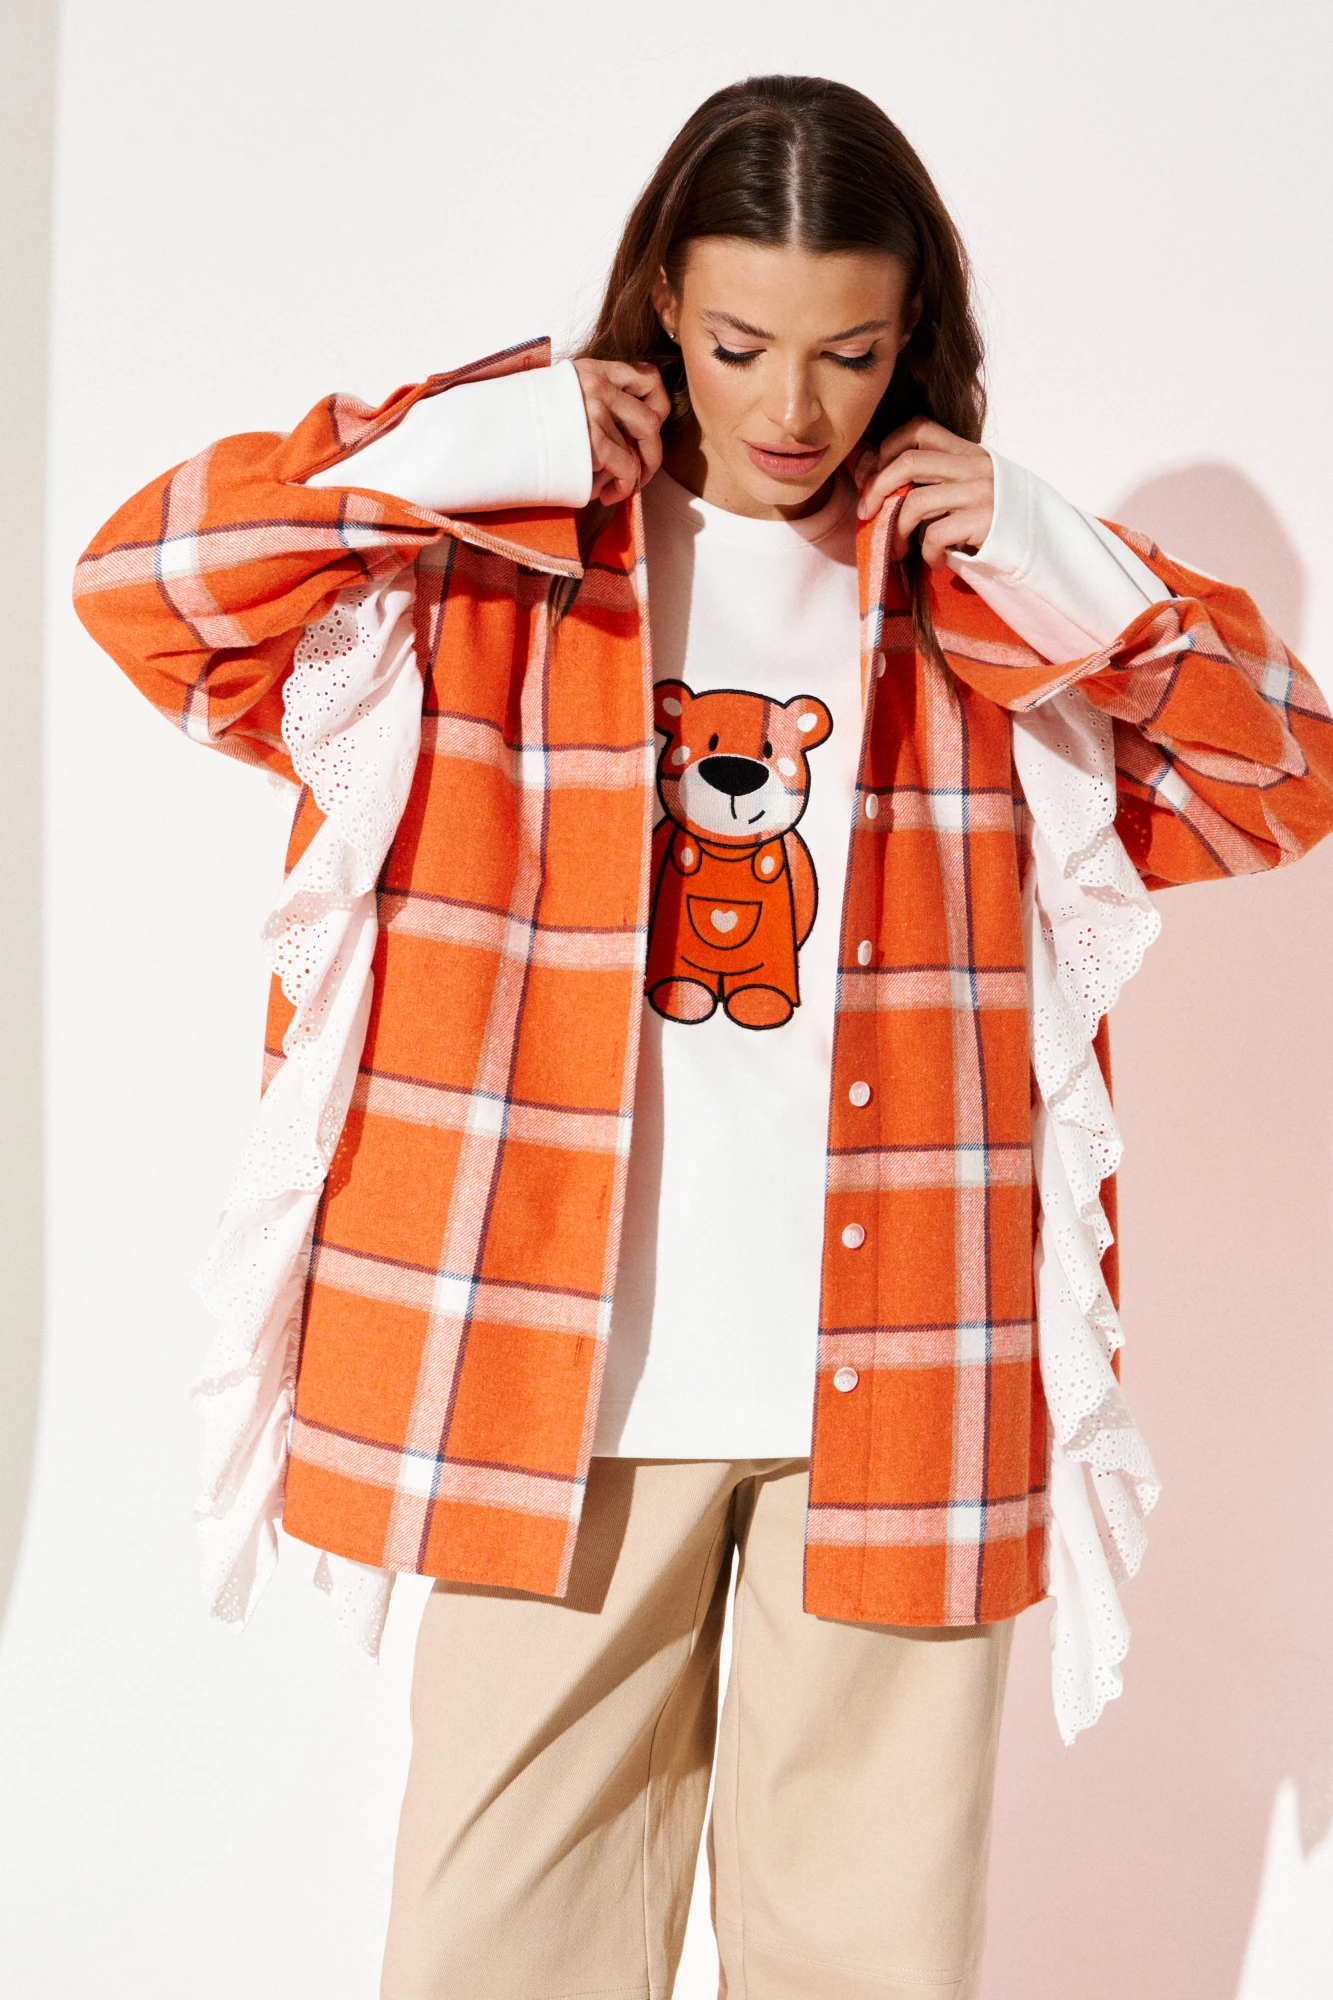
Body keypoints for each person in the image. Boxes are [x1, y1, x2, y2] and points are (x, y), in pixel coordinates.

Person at [73, 72, 1333, 2000]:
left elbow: (1287, 777)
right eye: (741, 344)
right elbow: (143, 592)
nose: (791, 408)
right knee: (494, 1955)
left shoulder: (988, 615)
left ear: (916, 339)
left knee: (866, 1967)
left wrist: (1059, 549)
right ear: (663, 299)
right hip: (555, 1385)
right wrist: (466, 436)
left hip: (904, 1381)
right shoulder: (493, 570)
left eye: (851, 353)